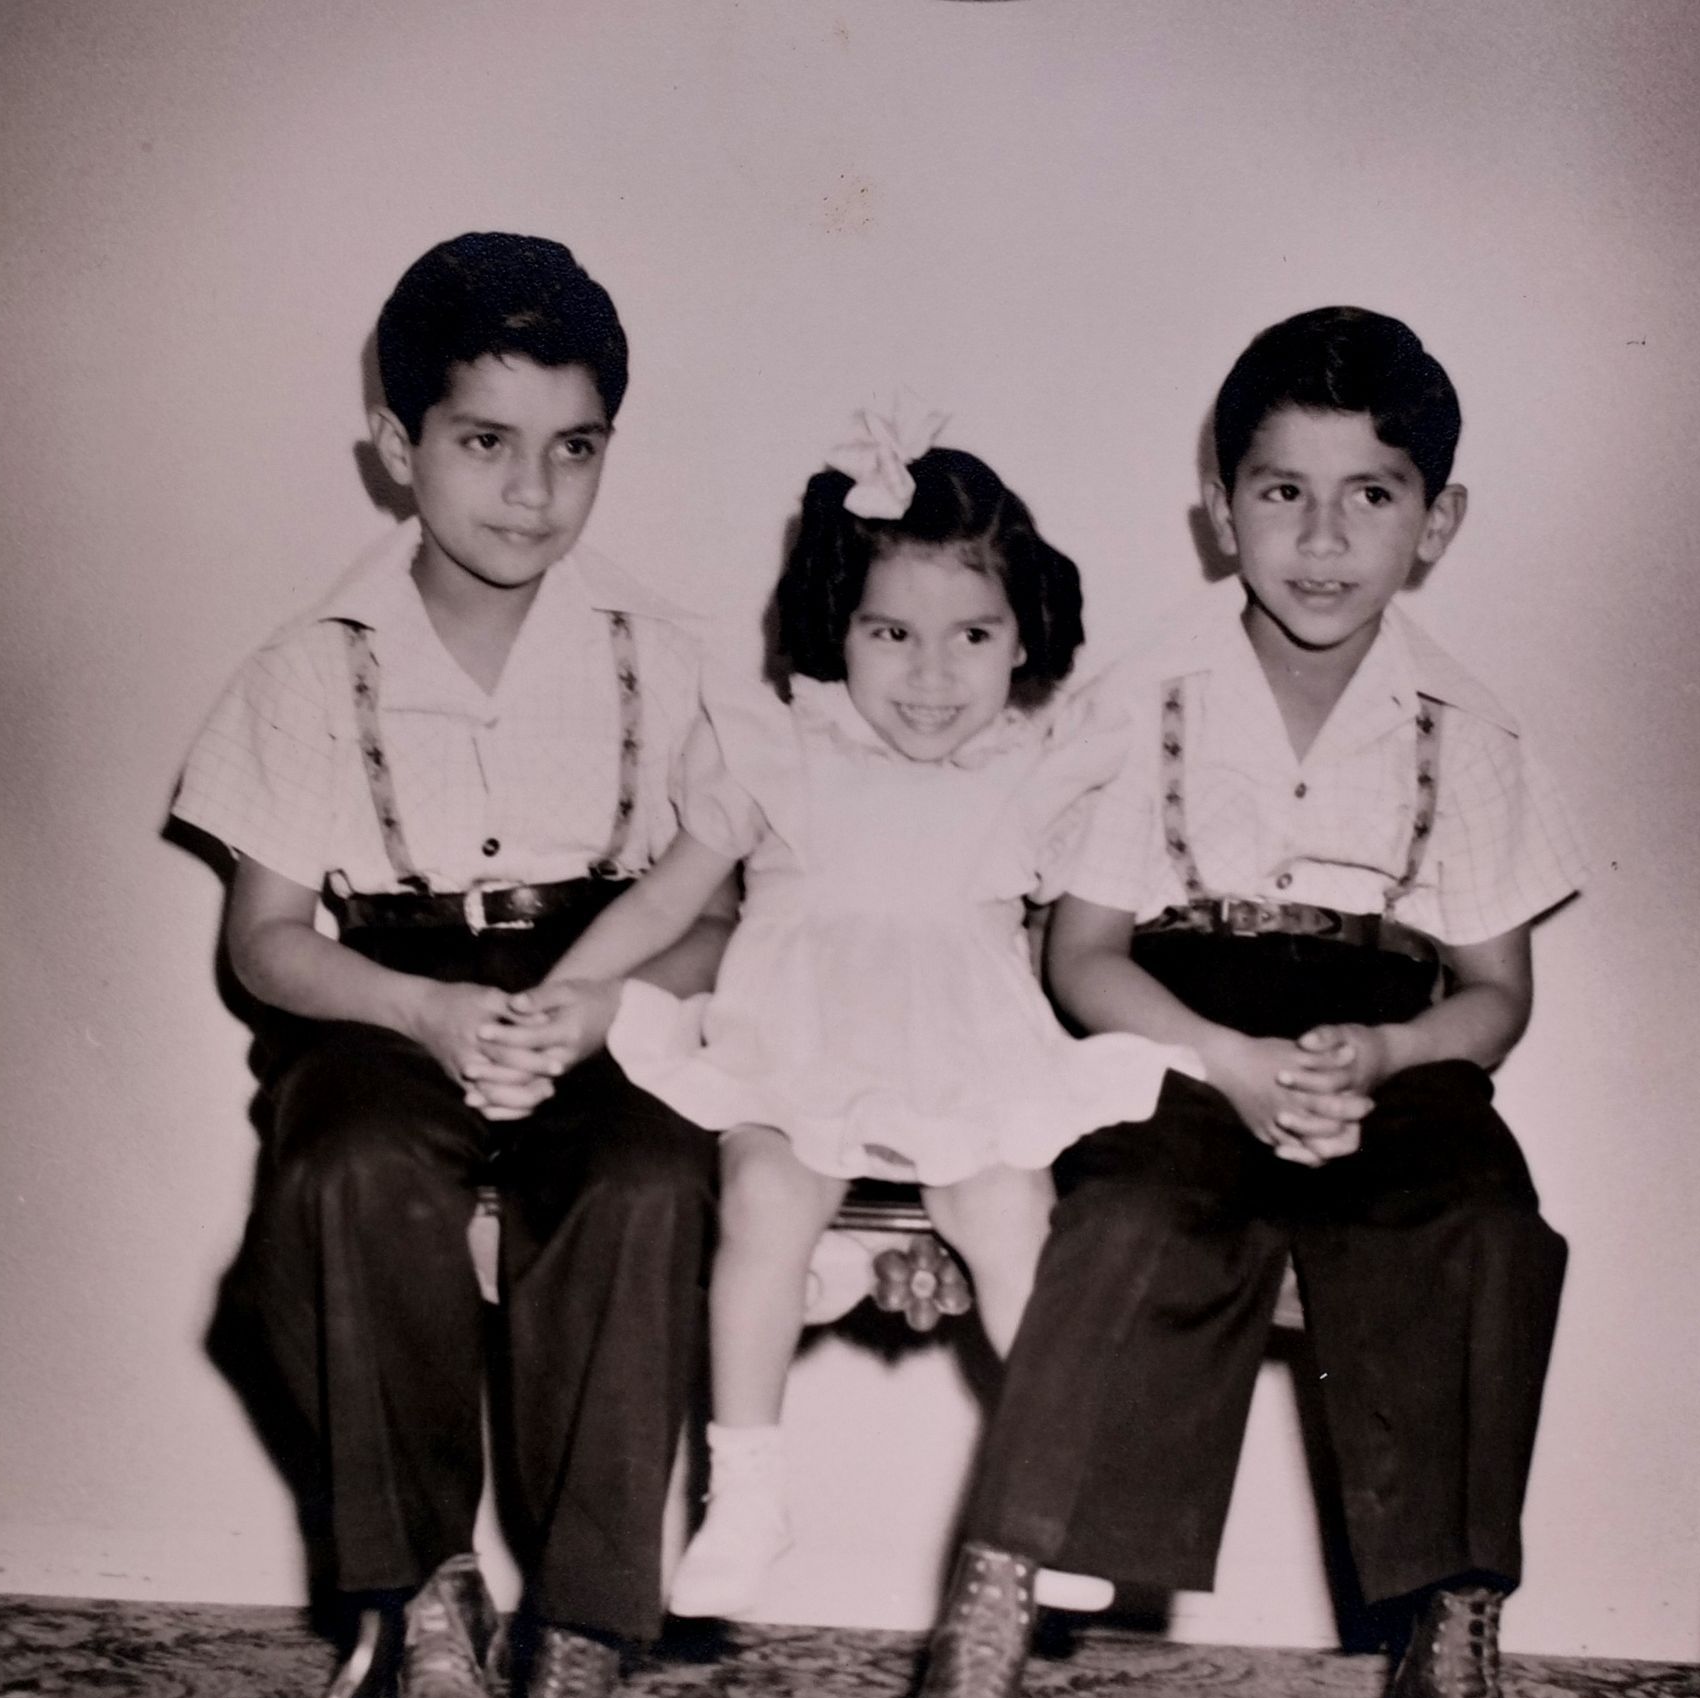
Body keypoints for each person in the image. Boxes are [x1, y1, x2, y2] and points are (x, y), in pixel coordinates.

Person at [884, 309, 1585, 1698]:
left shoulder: (1471, 730)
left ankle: (1450, 1662)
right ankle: (986, 1637)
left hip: (1388, 1052)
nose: (1323, 540)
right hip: (1178, 1030)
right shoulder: (1144, 700)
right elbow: (1083, 956)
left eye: (1371, 496)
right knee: (1128, 1216)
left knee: (1484, 1227)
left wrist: (1388, 1052)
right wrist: (1227, 1061)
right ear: (1220, 509)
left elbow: (1495, 1000)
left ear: (1437, 522)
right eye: (1282, 493)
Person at [172, 233, 725, 1698]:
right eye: (486, 442)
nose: (533, 493)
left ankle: (586, 1630)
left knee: (647, 1173)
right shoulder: (310, 668)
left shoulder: (661, 659)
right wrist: (419, 1009)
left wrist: (606, 1003)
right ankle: (420, 1601)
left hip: (599, 984)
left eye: (576, 449)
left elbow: (716, 914)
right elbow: (266, 943)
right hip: (384, 995)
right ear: (395, 444)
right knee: (347, 1170)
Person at [501, 415, 1194, 1621]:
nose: (932, 677)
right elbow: (666, 898)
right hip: (796, 1042)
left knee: (1008, 1209)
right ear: (839, 628)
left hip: (963, 1050)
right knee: (768, 1191)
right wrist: (564, 992)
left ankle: (1053, 1494)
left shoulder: (1033, 768)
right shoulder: (783, 748)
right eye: (891, 634)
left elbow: (1075, 928)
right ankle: (747, 1493)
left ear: (1023, 635)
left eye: (973, 635)